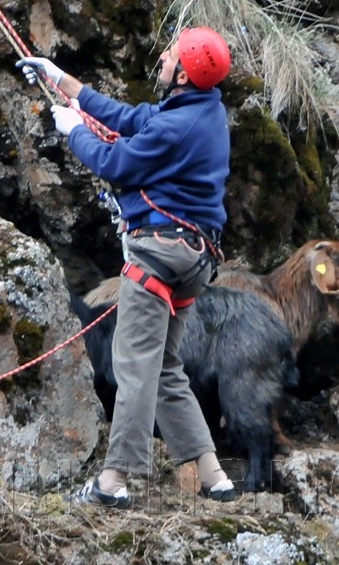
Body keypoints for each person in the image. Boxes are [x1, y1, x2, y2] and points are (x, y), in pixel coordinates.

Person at [17, 27, 237, 507]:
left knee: (133, 365)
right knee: (163, 368)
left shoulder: (176, 126)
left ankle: (113, 480)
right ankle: (213, 475)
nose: (162, 56)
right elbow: (132, 118)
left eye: (171, 55)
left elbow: (115, 163)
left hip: (157, 254)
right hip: (192, 259)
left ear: (183, 73)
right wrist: (64, 82)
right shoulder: (204, 110)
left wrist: (73, 130)